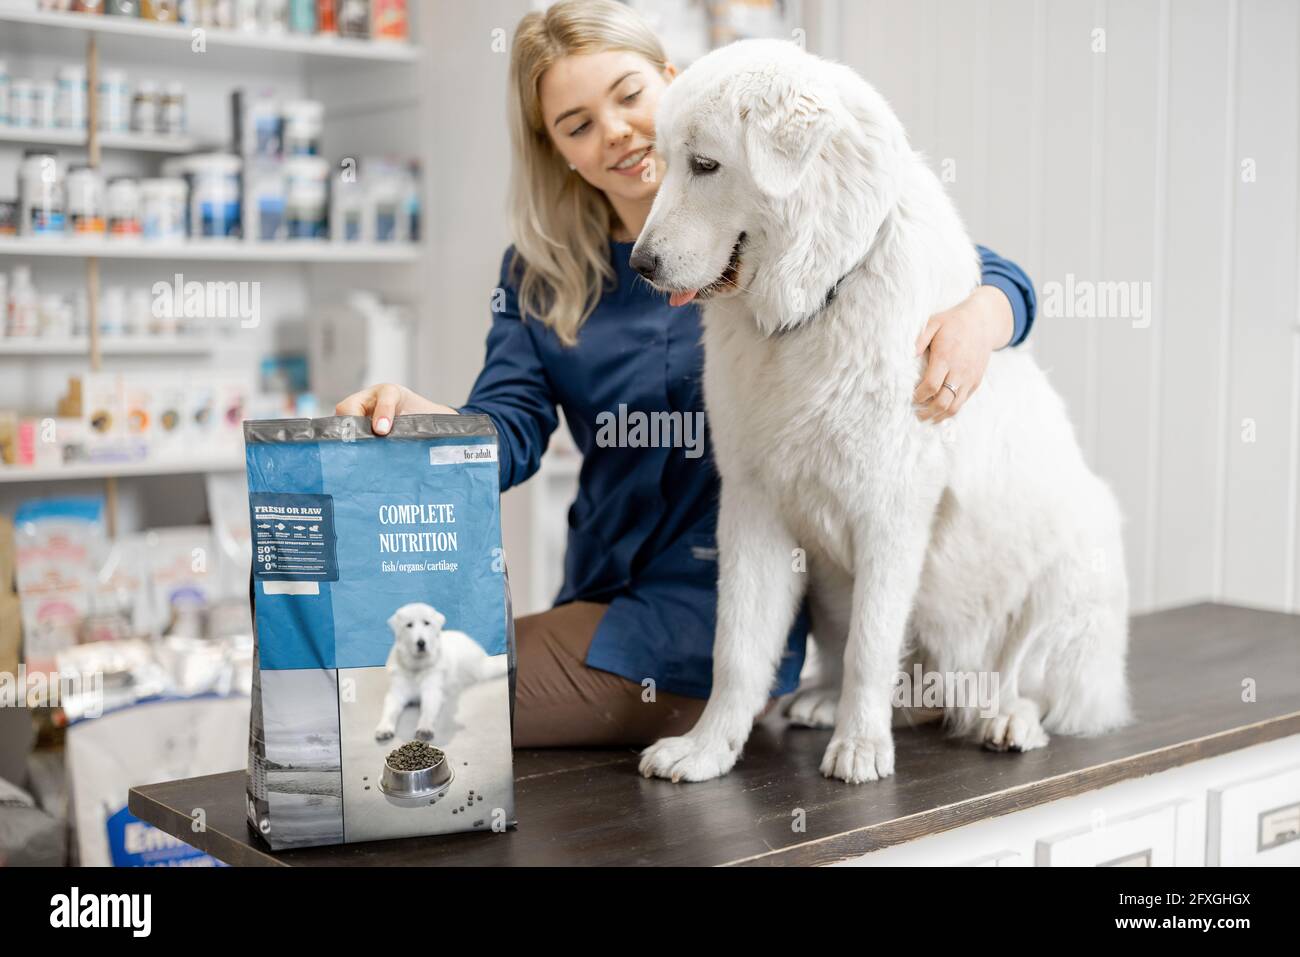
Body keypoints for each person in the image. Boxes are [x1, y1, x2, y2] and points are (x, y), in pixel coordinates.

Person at [336, 0, 1037, 749]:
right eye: (577, 125)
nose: (616, 132)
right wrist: (425, 425)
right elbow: (507, 430)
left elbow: (932, 255)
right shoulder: (542, 274)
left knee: (417, 699)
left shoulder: (768, 230)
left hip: (715, 619)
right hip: (602, 596)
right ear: (556, 150)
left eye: (630, 96)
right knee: (397, 682)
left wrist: (986, 312)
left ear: (673, 84)